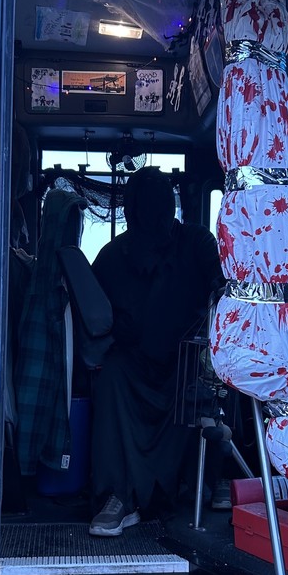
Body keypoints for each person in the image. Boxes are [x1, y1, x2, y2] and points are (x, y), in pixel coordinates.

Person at [88, 167, 224, 536]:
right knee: (110, 378)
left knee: (211, 382)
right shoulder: (112, 255)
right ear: (131, 212)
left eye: (159, 207)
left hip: (186, 361)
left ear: (171, 208)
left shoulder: (196, 241)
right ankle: (115, 498)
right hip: (131, 365)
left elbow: (220, 279)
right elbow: (92, 313)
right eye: (144, 209)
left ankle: (208, 481)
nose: (153, 217)